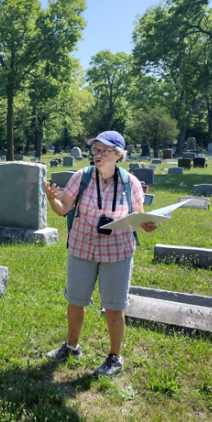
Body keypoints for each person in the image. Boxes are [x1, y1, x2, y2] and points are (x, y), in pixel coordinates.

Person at [43, 130, 158, 376]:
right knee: (75, 301)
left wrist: (147, 225)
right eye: (95, 150)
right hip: (82, 247)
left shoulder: (130, 182)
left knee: (115, 307)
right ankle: (71, 346)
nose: (98, 154)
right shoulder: (81, 177)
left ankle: (114, 357)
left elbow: (137, 217)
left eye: (104, 150)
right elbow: (63, 209)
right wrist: (52, 199)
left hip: (117, 251)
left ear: (118, 155)